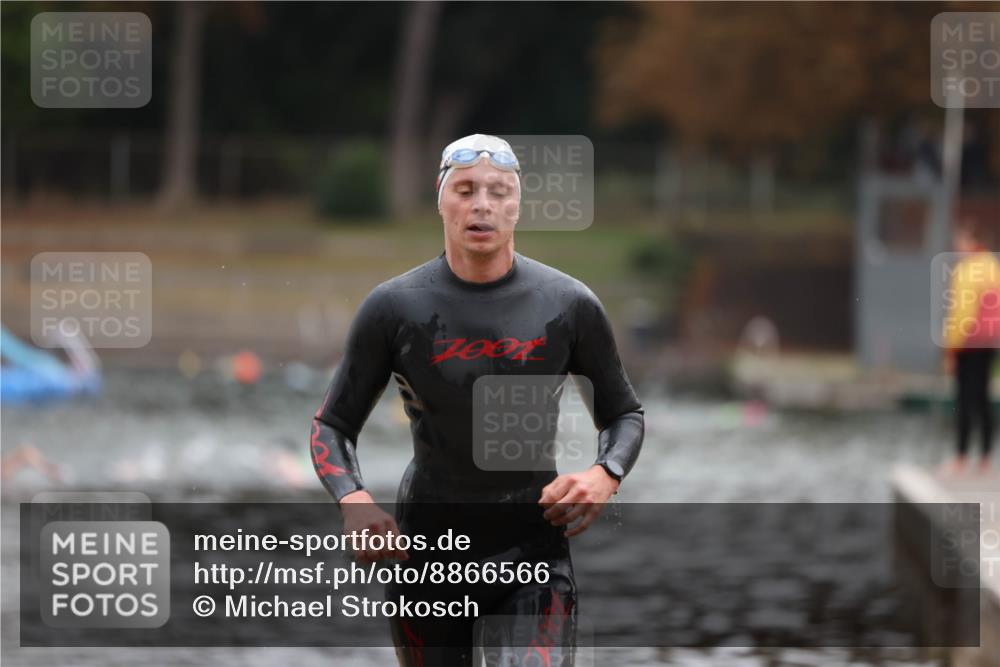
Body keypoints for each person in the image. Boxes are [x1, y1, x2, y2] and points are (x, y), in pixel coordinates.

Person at [310, 134, 644, 665]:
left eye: (498, 191)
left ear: (518, 205)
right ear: (441, 200)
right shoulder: (395, 307)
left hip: (534, 550)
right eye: (464, 190)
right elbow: (333, 424)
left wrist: (605, 474)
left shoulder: (569, 305)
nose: (482, 204)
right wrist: (354, 502)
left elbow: (624, 413)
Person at [941, 221, 1000, 476]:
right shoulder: (993, 267)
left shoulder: (967, 271)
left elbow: (961, 313)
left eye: (959, 241)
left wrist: (951, 349)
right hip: (989, 342)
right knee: (983, 399)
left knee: (964, 399)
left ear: (969, 241)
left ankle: (961, 457)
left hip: (968, 344)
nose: (956, 246)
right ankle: (986, 457)